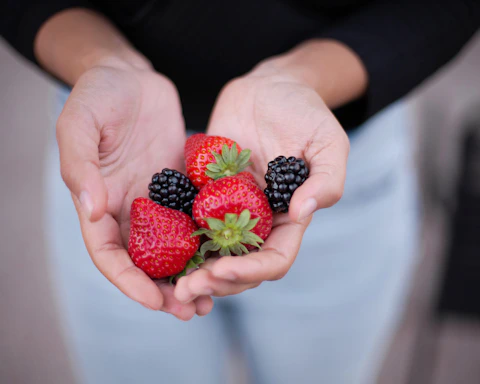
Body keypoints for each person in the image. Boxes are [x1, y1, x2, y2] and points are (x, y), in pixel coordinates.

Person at [1, 1, 479, 383]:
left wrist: (304, 77)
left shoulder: (238, 192)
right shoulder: (152, 199)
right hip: (113, 166)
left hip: (324, 157)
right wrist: (99, 63)